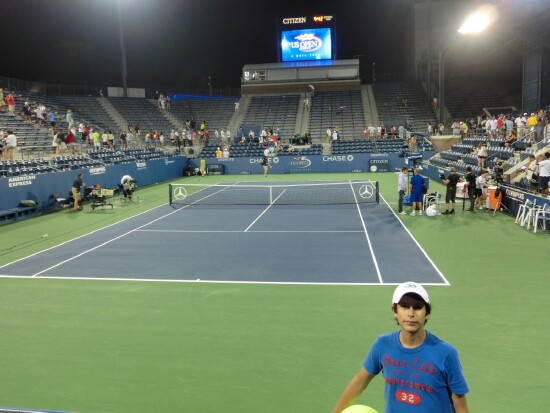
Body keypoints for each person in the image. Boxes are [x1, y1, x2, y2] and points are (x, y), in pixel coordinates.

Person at [332, 281, 469, 413]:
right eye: (404, 306)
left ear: (426, 313)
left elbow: (459, 401)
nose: (411, 313)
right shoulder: (382, 345)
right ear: (395, 311)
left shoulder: (446, 353)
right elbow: (359, 382)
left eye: (417, 307)